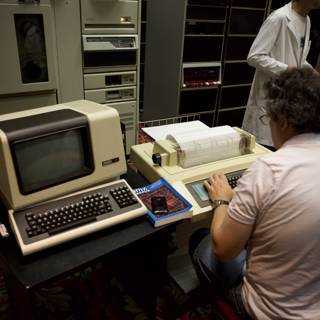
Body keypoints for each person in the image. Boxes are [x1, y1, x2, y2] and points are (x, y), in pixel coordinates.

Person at [189, 67, 320, 319]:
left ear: (283, 120)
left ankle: (217, 303)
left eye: (268, 118)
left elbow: (223, 249)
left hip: (267, 311)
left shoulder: (269, 169)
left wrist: (221, 200)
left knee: (201, 240)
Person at [242, 0, 320, 148]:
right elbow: (254, 56)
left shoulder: (306, 20)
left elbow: (298, 58)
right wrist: (288, 70)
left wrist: (311, 73)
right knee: (265, 151)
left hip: (287, 102)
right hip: (269, 101)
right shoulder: (278, 18)